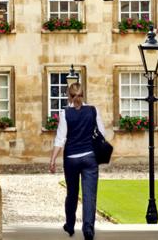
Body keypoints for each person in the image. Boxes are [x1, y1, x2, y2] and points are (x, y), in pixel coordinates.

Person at [49, 82, 106, 240]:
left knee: (72, 193)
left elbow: (60, 139)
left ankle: (70, 224)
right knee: (89, 195)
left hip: (71, 159)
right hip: (90, 157)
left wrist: (53, 160)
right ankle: (88, 228)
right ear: (83, 94)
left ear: (69, 96)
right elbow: (102, 132)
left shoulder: (65, 113)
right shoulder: (93, 111)